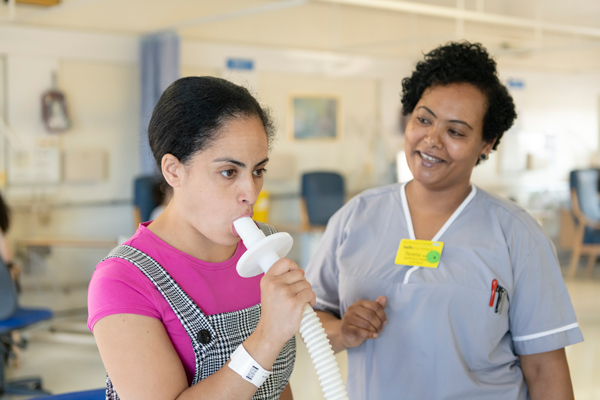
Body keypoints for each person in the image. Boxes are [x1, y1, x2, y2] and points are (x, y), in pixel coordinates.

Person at [305, 42, 582, 400]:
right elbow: (311, 322)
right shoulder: (355, 217)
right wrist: (344, 331)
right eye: (423, 119)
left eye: (456, 131)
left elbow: (546, 369)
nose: (432, 140)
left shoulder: (517, 234)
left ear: (486, 143)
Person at [88, 76, 315, 400]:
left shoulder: (264, 245)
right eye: (228, 172)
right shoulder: (123, 280)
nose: (250, 193)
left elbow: (276, 385)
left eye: (258, 170)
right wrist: (266, 338)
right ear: (173, 171)